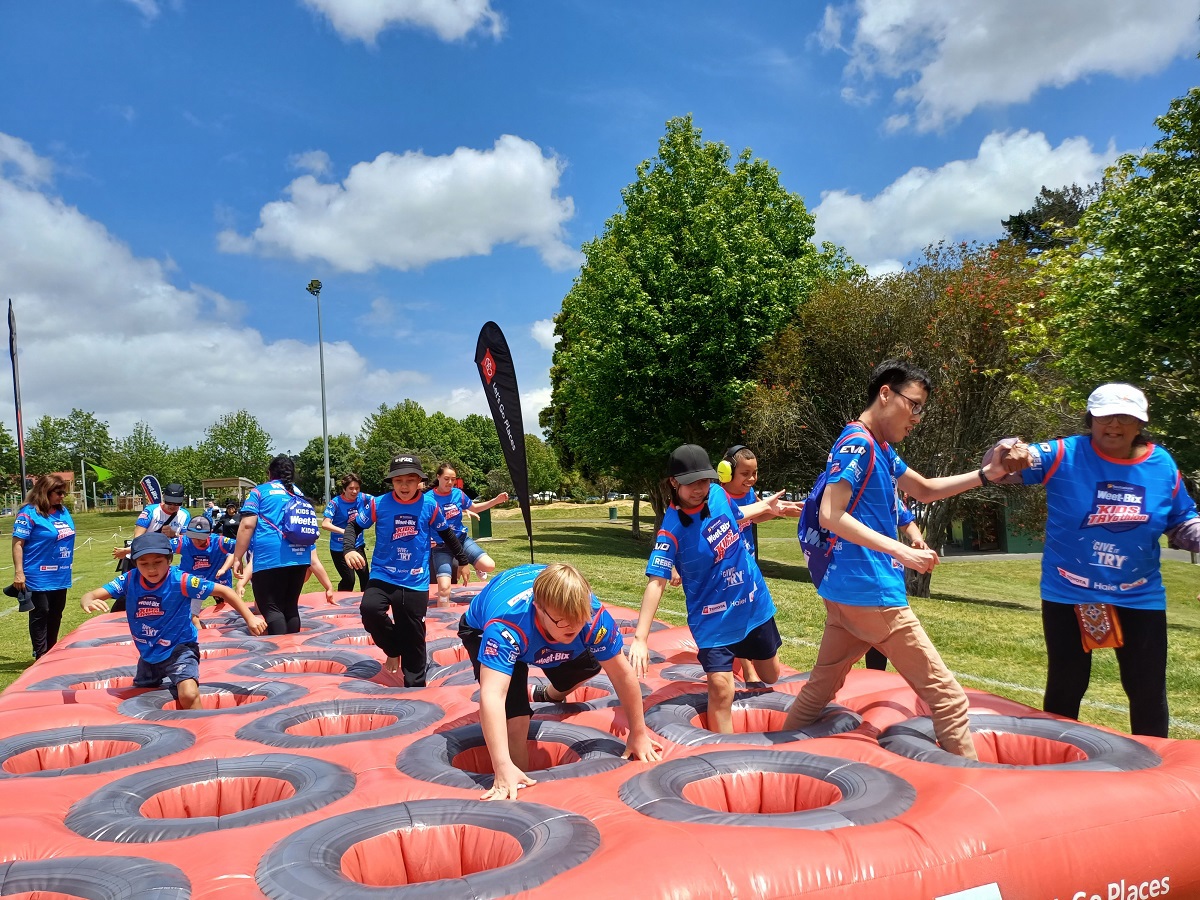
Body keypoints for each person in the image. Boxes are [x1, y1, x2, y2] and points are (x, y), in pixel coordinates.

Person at [779, 360, 1025, 759]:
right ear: (886, 394)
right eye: (914, 405)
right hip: (872, 593)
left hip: (847, 596)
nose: (918, 417)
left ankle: (771, 758)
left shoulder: (880, 448)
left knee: (819, 689)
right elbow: (831, 514)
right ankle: (976, 798)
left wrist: (986, 473)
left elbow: (925, 490)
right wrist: (901, 551)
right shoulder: (857, 444)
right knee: (948, 699)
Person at [1001, 383, 1200, 738]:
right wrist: (1005, 452)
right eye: (1105, 415)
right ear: (1090, 418)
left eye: (1125, 417)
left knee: (1147, 689)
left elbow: (1182, 521)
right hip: (1070, 591)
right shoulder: (1064, 453)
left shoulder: (1161, 464)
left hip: (1139, 593)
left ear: (1140, 424)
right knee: (1067, 684)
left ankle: (1154, 774)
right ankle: (1056, 764)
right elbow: (1000, 467)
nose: (1114, 424)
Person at [458, 562, 663, 800]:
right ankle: (521, 788)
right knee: (516, 722)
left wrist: (638, 732)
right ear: (539, 609)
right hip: (487, 628)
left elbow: (622, 674)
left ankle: (550, 693)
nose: (573, 625)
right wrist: (501, 767)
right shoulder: (506, 627)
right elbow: (493, 696)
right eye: (563, 621)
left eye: (578, 618)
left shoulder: (591, 618)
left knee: (588, 667)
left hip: (539, 632)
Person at [628, 444, 790, 734]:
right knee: (720, 688)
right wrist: (640, 638)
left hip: (752, 602)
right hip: (711, 618)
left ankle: (746, 655)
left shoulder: (717, 494)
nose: (700, 489)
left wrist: (768, 509)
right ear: (674, 482)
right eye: (692, 483)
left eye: (704, 480)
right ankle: (724, 753)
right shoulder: (670, 529)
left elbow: (737, 515)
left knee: (771, 675)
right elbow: (656, 582)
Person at [80, 533, 266, 709]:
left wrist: (250, 617)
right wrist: (88, 600)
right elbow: (92, 594)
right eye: (144, 563)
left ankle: (199, 728)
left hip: (180, 650)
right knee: (141, 696)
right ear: (136, 564)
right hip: (148, 653)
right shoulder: (129, 579)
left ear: (169, 560)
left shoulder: (181, 581)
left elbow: (225, 591)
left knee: (189, 694)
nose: (151, 569)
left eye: (158, 562)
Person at [342, 455, 473, 685]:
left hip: (415, 581)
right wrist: (349, 549)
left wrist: (462, 561)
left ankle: (415, 688)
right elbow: (354, 525)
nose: (404, 486)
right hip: (383, 575)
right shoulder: (378, 504)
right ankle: (393, 649)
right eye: (398, 480)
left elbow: (447, 533)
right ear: (391, 482)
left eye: (410, 480)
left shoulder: (429, 505)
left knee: (414, 637)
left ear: (419, 482)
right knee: (370, 611)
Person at [233, 455, 321, 635]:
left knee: (271, 608)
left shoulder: (259, 492)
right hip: (299, 556)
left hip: (270, 556)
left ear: (269, 473)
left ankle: (281, 655)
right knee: (290, 607)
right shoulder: (298, 493)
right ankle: (293, 654)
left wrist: (237, 557)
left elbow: (247, 524)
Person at [11, 474, 75, 659]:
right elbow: (17, 544)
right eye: (59, 492)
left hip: (61, 574)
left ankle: (51, 651)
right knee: (42, 612)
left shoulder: (63, 512)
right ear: (45, 491)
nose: (62, 496)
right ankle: (41, 655)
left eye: (64, 492)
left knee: (56, 613)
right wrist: (18, 573)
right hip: (37, 573)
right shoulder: (29, 513)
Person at [719, 444, 767, 684]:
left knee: (750, 611)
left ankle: (751, 661)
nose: (751, 478)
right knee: (736, 613)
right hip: (727, 568)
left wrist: (788, 509)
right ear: (726, 471)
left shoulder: (749, 493)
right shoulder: (719, 496)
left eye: (754, 473)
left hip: (748, 564)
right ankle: (747, 670)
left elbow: (759, 513)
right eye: (745, 474)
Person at [429, 463, 508, 607]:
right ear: (438, 477)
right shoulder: (428, 498)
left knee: (489, 566)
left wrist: (496, 500)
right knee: (444, 592)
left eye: (453, 479)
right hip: (441, 547)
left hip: (461, 541)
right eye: (446, 478)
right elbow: (421, 521)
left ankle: (476, 565)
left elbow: (475, 508)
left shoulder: (458, 494)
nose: (450, 482)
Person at [864, 498, 927, 672]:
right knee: (849, 629)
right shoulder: (851, 493)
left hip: (887, 572)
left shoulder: (889, 498)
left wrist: (917, 539)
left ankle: (876, 675)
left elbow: (907, 522)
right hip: (858, 571)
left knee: (883, 627)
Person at [321, 473, 373, 593]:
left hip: (358, 545)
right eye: (351, 488)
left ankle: (366, 604)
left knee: (365, 576)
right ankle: (341, 603)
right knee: (349, 579)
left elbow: (378, 501)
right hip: (340, 548)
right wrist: (345, 532)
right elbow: (325, 524)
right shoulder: (335, 503)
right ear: (344, 489)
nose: (354, 491)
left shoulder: (363, 498)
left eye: (357, 488)